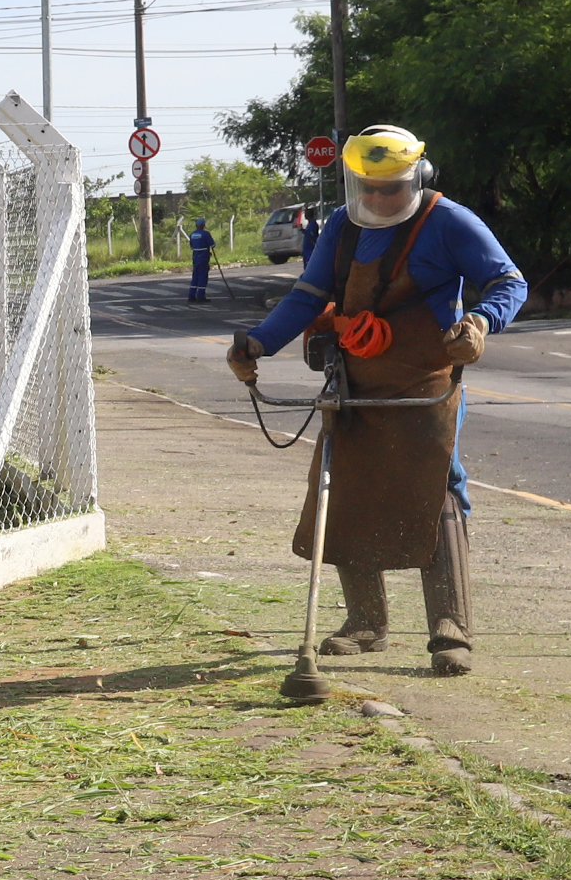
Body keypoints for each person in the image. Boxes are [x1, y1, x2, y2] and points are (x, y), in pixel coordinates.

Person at [226, 126, 525, 675]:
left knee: (438, 485)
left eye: (391, 188)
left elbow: (509, 282)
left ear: (418, 177)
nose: (379, 198)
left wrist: (481, 322)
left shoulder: (449, 221)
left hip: (426, 381)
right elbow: (308, 296)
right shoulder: (342, 227)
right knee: (345, 488)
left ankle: (451, 631)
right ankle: (365, 623)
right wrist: (258, 343)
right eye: (367, 187)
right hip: (356, 380)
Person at [186, 215, 215, 303]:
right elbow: (213, 244)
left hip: (195, 256)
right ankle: (200, 296)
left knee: (195, 276)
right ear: (203, 225)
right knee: (203, 276)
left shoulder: (192, 234)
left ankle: (191, 295)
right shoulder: (205, 234)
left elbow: (192, 246)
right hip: (203, 257)